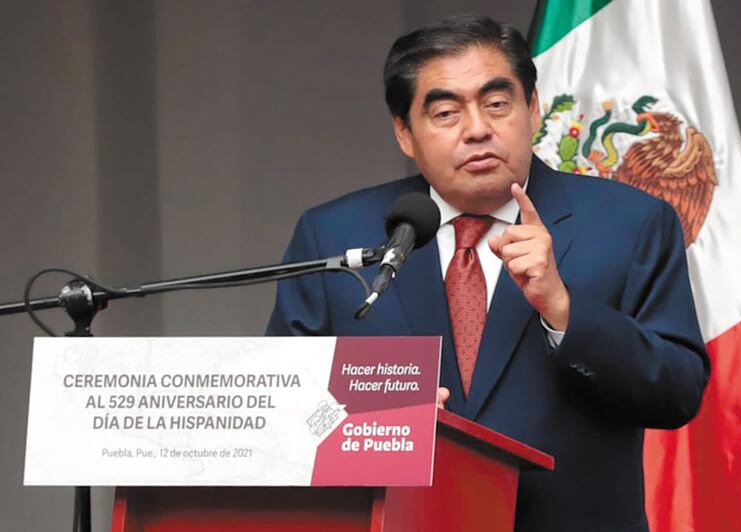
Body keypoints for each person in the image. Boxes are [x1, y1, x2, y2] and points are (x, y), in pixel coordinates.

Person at [268, 15, 709, 532]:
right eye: (446, 112)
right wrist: (366, 421)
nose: (477, 129)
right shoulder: (335, 234)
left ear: (533, 108)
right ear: (405, 133)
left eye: (496, 104)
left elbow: (677, 393)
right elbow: (284, 408)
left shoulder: (630, 223)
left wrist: (565, 312)